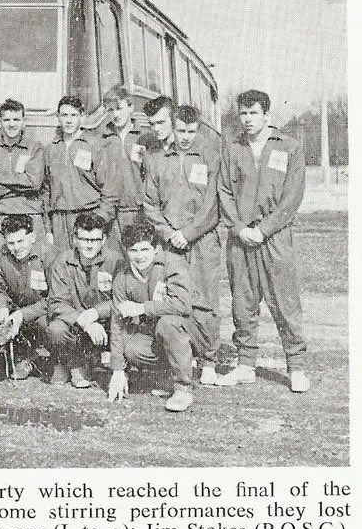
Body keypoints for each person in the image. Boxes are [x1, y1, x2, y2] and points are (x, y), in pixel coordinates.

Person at [217, 89, 309, 392]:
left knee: (284, 301)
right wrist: (239, 228)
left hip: (275, 238)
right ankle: (245, 365)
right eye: (243, 113)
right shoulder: (232, 149)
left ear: (267, 115)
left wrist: (264, 229)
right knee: (243, 302)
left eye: (253, 113)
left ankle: (295, 366)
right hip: (241, 238)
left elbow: (291, 198)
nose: (247, 119)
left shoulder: (290, 147)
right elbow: (224, 192)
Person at [143, 102, 221, 385]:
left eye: (191, 131)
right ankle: (175, 362)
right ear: (172, 128)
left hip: (201, 240)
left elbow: (213, 204)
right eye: (180, 130)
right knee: (170, 298)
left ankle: (208, 359)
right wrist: (167, 233)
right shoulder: (157, 159)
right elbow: (150, 204)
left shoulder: (209, 155)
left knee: (204, 300)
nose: (185, 136)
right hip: (169, 242)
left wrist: (188, 233)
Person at [107, 222, 195, 412]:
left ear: (156, 249)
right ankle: (164, 377)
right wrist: (118, 369)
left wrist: (142, 308)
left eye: (145, 249)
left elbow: (182, 305)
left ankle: (183, 388)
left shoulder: (171, 263)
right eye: (133, 250)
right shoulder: (122, 275)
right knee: (131, 347)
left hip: (187, 332)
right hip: (153, 335)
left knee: (168, 323)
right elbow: (117, 322)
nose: (140, 256)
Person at [47, 212, 122, 388]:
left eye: (95, 240)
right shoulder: (62, 262)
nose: (89, 245)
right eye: (84, 239)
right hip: (78, 323)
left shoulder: (115, 261)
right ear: (75, 239)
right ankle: (74, 365)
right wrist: (84, 321)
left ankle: (107, 365)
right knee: (56, 328)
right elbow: (56, 302)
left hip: (106, 324)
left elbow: (121, 299)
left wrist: (96, 312)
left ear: (103, 239)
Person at [43, 95, 118, 251]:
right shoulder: (51, 149)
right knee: (62, 266)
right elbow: (45, 191)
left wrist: (99, 219)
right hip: (60, 220)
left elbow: (110, 189)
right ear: (58, 117)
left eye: (74, 115)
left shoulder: (94, 146)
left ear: (82, 117)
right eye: (64, 115)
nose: (69, 120)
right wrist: (48, 228)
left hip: (88, 217)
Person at [0, 99, 47, 258]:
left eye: (16, 119)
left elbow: (34, 183)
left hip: (29, 215)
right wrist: (20, 183)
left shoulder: (35, 148)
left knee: (33, 267)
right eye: (7, 120)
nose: (12, 124)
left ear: (24, 121)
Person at [0, 214, 57, 380]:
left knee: (46, 324)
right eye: (11, 243)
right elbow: (0, 291)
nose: (16, 248)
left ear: (33, 237)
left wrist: (23, 315)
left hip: (43, 309)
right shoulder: (2, 255)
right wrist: (2, 309)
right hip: (17, 309)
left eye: (21, 241)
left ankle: (51, 359)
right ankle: (23, 358)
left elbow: (56, 298)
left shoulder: (48, 255)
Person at [98, 86, 146, 246]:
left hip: (139, 212)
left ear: (131, 107)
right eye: (110, 110)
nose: (115, 114)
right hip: (112, 215)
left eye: (119, 108)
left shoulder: (144, 138)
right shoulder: (102, 140)